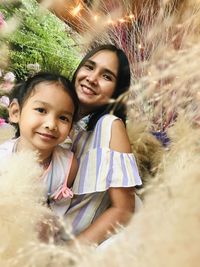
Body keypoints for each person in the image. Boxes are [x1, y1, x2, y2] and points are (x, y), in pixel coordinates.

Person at [63, 44, 142, 246]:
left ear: (117, 91)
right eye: (89, 67)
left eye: (107, 76)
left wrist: (68, 253)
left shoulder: (109, 126)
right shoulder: (58, 119)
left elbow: (123, 209)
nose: (92, 78)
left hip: (74, 245)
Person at [0, 72, 79, 217]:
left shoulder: (68, 165)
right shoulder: (3, 158)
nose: (51, 124)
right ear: (15, 112)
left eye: (63, 118)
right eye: (41, 110)